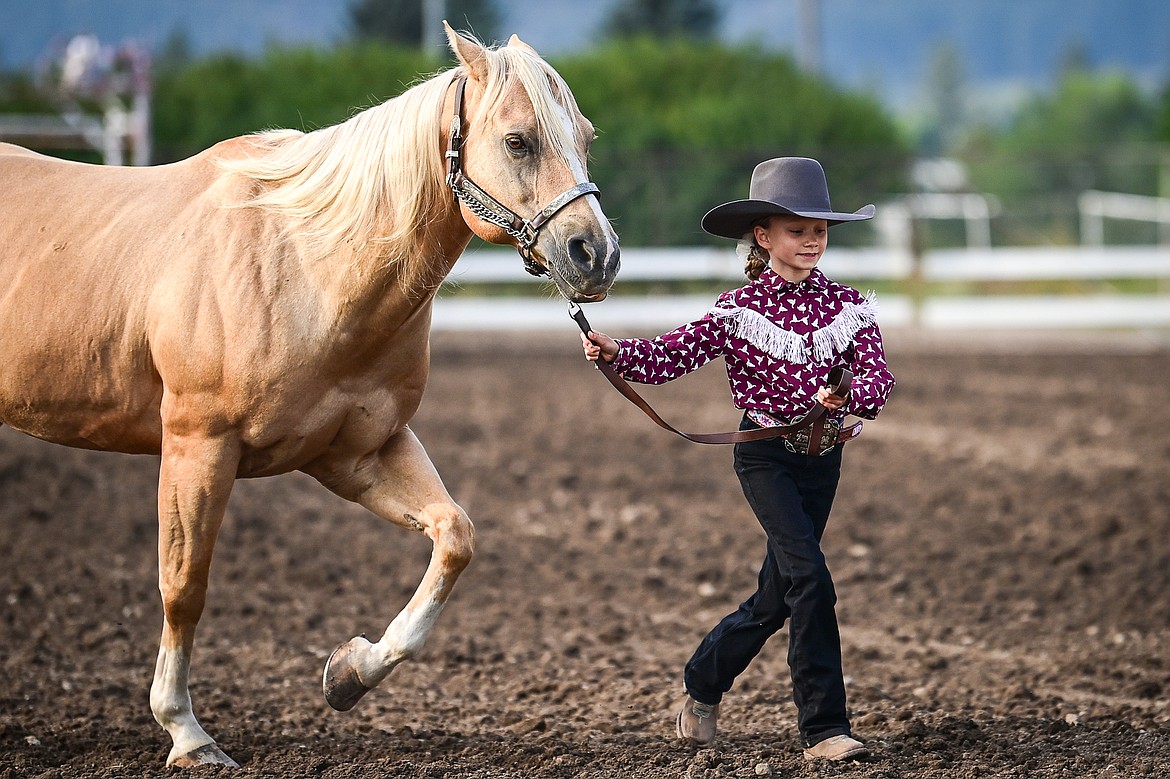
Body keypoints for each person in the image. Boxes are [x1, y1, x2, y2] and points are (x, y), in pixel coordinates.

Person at [581, 157, 895, 762]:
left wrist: (848, 394)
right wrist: (618, 351)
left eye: (820, 230)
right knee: (811, 579)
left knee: (776, 596)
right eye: (797, 230)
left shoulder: (850, 306)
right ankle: (825, 729)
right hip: (765, 461)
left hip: (822, 460)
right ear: (764, 235)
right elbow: (672, 354)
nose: (811, 241)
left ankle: (702, 684)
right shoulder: (738, 309)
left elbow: (878, 380)